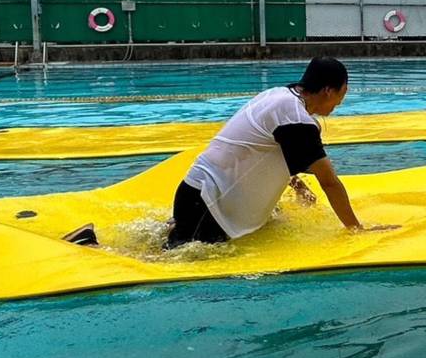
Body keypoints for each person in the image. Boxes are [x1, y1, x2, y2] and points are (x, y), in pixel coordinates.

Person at [161, 56, 396, 249]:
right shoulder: (296, 119)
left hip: (196, 195)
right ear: (327, 91)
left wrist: (297, 185)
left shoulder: (280, 96)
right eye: (342, 93)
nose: (340, 103)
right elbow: (329, 182)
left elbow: (263, 147)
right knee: (171, 260)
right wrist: (357, 230)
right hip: (209, 207)